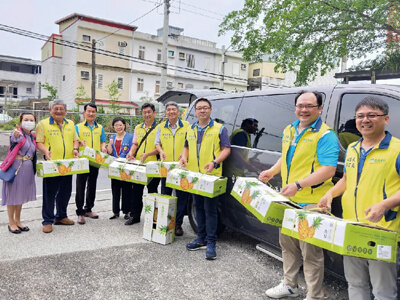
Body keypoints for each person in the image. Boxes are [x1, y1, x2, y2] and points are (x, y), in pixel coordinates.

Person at [259, 91, 339, 299]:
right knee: (288, 245)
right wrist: (272, 171)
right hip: (288, 200)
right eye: (300, 105)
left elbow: (329, 170)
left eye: (309, 106)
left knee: (311, 253)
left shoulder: (325, 135)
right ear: (295, 108)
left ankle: (314, 295)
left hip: (313, 202)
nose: (304, 110)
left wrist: (298, 184)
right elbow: (285, 157)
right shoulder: (290, 129)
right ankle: (289, 284)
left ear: (319, 109)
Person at [318, 96, 400, 300]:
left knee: (383, 290)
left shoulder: (397, 150)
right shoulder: (353, 148)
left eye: (372, 115)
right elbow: (347, 178)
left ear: (386, 119)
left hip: (382, 231)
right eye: (360, 116)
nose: (365, 120)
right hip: (352, 227)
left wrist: (385, 204)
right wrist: (329, 194)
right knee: (355, 283)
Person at [180, 98, 231, 260]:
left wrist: (215, 162)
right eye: (199, 108)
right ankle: (200, 239)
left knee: (210, 210)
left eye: (205, 108)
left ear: (210, 110)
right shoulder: (191, 128)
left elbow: (226, 150)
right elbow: (186, 146)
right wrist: (183, 158)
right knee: (198, 207)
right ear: (195, 111)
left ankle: (211, 243)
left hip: (211, 177)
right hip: (195, 176)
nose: (202, 111)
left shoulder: (219, 129)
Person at [36, 100, 80, 233]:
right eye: (56, 109)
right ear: (50, 110)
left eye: (61, 109)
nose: (59, 111)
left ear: (65, 111)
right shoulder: (43, 124)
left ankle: (61, 216)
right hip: (52, 165)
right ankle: (47, 221)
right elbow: (39, 142)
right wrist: (45, 151)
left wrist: (75, 149)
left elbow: (75, 140)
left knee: (65, 192)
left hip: (68, 165)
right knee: (49, 194)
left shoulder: (71, 124)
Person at [155, 101, 190, 236]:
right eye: (168, 109)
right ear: (166, 112)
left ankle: (178, 224)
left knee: (181, 197)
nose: (171, 112)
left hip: (182, 168)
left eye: (173, 109)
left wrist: (184, 154)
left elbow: (190, 143)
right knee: (166, 194)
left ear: (179, 112)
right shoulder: (161, 127)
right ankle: (165, 222)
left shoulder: (187, 126)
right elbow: (157, 143)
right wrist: (161, 151)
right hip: (167, 168)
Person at [1, 113, 37, 234]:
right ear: (21, 122)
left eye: (31, 120)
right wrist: (15, 135)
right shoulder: (18, 134)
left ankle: (18, 221)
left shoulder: (32, 136)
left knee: (20, 195)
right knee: (12, 195)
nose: (29, 121)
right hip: (16, 167)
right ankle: (11, 223)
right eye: (26, 119)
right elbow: (14, 138)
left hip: (27, 169)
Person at [125, 103, 160, 225]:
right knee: (136, 191)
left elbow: (160, 147)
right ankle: (135, 216)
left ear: (154, 113)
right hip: (139, 165)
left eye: (149, 112)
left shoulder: (159, 128)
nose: (147, 114)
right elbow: (135, 143)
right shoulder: (138, 127)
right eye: (144, 112)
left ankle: (153, 219)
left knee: (152, 192)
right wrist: (130, 153)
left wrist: (148, 154)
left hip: (154, 165)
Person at [75, 103, 107, 224]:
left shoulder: (100, 127)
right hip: (82, 162)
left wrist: (103, 147)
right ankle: (80, 212)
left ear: (95, 113)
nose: (91, 113)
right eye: (89, 111)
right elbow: (74, 142)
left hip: (95, 161)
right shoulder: (78, 127)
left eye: (93, 111)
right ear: (84, 112)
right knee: (80, 186)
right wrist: (79, 143)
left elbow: (103, 141)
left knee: (92, 186)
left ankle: (88, 209)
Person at [107, 117, 134, 220]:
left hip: (126, 167)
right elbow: (110, 152)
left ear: (124, 125)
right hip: (115, 167)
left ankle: (127, 212)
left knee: (127, 189)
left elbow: (133, 149)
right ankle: (115, 211)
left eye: (120, 125)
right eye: (116, 125)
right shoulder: (113, 137)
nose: (118, 127)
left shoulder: (130, 137)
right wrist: (109, 143)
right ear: (113, 127)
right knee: (115, 189)